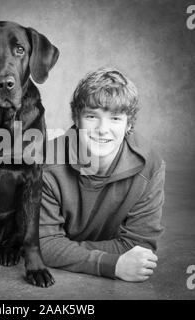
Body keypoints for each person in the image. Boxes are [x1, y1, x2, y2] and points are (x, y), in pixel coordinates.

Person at [39, 67, 165, 282]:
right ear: (76, 120)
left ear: (129, 124)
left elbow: (139, 248)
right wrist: (111, 264)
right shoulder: (46, 163)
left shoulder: (150, 166)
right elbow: (44, 245)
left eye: (115, 118)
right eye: (91, 116)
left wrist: (64, 249)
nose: (102, 129)